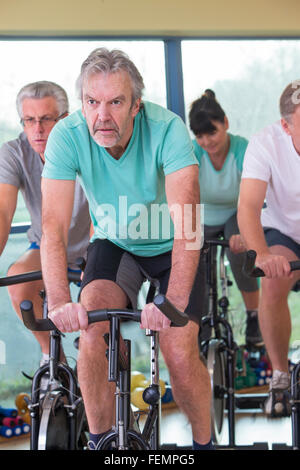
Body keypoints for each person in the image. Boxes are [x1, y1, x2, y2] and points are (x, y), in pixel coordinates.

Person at [40, 47, 213, 450]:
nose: (102, 115)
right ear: (81, 102)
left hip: (174, 245)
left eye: (116, 102)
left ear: (136, 105)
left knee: (177, 346)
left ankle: (205, 444)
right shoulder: (67, 135)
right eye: (92, 102)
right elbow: (52, 227)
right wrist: (61, 302)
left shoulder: (167, 130)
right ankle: (103, 445)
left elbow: (188, 225)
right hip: (116, 244)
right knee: (92, 328)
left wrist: (172, 304)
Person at [0, 81, 91, 372]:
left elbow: (102, 209)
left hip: (94, 243)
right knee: (18, 279)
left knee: (100, 296)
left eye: (46, 119)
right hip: (46, 244)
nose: (37, 129)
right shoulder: (14, 152)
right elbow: (3, 211)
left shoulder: (87, 147)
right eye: (29, 120)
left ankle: (90, 357)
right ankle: (54, 358)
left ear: (64, 119)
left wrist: (100, 259)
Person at [237, 80, 300, 416]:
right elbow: (248, 207)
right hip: (285, 232)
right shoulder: (266, 144)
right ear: (285, 125)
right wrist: (261, 254)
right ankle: (280, 376)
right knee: (272, 283)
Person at [189, 90, 262, 346]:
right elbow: (186, 195)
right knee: (192, 255)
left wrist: (245, 232)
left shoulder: (243, 149)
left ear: (226, 124)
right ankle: (199, 321)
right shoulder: (193, 153)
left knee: (239, 249)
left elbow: (252, 199)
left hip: (237, 210)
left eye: (212, 132)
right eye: (200, 135)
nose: (207, 141)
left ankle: (254, 315)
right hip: (204, 213)